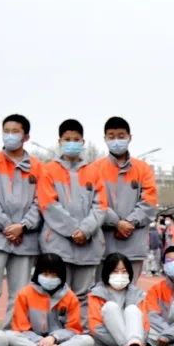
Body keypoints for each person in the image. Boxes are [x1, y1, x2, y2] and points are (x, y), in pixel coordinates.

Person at [38, 119, 108, 323]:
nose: (72, 143)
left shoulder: (94, 172)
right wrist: (72, 230)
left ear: (83, 142)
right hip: (58, 244)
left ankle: (80, 338)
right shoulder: (48, 170)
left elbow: (101, 205)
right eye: (67, 139)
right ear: (59, 141)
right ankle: (51, 338)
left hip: (89, 245)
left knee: (83, 295)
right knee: (55, 293)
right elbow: (48, 205)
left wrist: (85, 230)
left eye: (76, 139)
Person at [0, 114, 43, 325]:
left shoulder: (37, 166)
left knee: (20, 292)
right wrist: (7, 226)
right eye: (6, 131)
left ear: (26, 136)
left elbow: (40, 202)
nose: (10, 136)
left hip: (25, 241)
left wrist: (23, 226)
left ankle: (11, 339)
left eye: (15, 132)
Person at [92, 117, 158, 282]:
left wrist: (130, 222)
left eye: (121, 136)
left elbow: (149, 202)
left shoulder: (143, 169)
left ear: (130, 137)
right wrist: (116, 222)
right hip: (103, 247)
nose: (116, 140)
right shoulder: (94, 169)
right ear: (105, 138)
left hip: (133, 245)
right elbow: (94, 203)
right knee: (101, 296)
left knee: (131, 297)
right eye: (111, 136)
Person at [5, 253, 94, 346]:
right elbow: (21, 328)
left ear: (61, 275)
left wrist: (54, 338)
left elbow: (73, 329)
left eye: (53, 274)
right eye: (45, 274)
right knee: (8, 336)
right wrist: (42, 342)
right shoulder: (25, 294)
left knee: (87, 340)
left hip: (61, 344)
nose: (49, 278)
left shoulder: (70, 296)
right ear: (37, 274)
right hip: (34, 342)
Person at [87, 253, 155, 346]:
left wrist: (139, 341)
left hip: (136, 340)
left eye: (124, 271)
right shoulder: (96, 294)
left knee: (132, 309)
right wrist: (126, 344)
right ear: (107, 272)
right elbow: (96, 328)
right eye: (115, 271)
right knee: (110, 307)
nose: (120, 275)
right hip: (107, 345)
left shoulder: (138, 294)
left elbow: (144, 324)